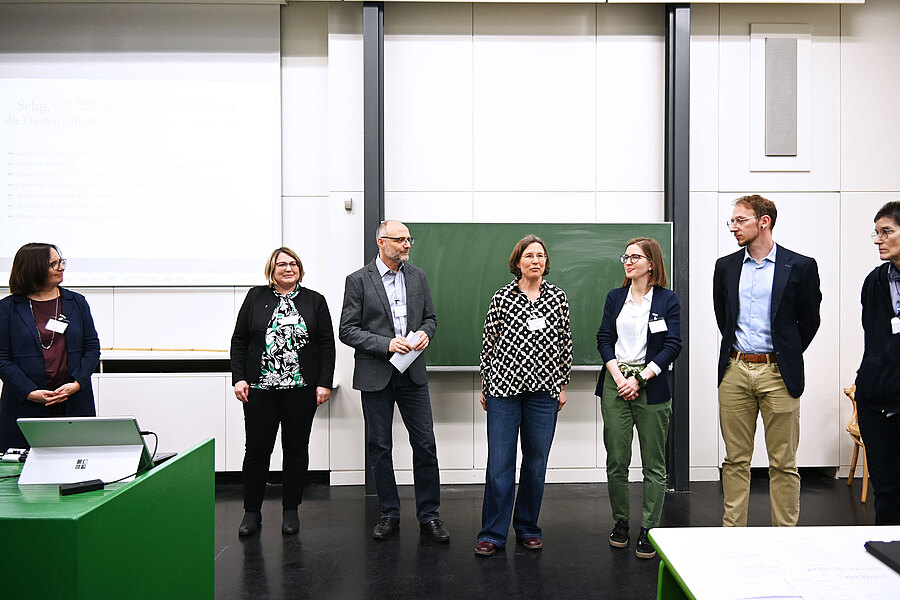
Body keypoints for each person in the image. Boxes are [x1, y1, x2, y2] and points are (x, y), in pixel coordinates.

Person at [713, 195, 821, 527]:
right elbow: (724, 317)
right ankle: (733, 533)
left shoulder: (801, 266)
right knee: (735, 461)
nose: (733, 227)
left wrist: (785, 354)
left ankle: (785, 536)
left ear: (764, 222)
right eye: (731, 221)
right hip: (735, 370)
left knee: (783, 462)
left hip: (779, 372)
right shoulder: (726, 266)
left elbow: (809, 320)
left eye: (740, 220)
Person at [338, 220, 449, 543]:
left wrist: (425, 334)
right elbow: (347, 330)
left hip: (412, 373)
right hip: (376, 374)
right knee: (380, 447)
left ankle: (429, 516)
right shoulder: (358, 280)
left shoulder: (418, 276)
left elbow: (431, 318)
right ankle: (389, 513)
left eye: (408, 239)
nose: (407, 245)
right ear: (381, 243)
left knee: (425, 444)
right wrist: (385, 344)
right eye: (400, 240)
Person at [474, 235, 572, 557]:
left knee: (535, 464)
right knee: (500, 464)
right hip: (504, 391)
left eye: (540, 256)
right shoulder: (501, 298)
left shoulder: (557, 299)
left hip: (544, 394)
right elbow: (488, 345)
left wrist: (561, 384)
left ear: (546, 262)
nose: (535, 261)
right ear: (518, 262)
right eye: (529, 255)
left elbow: (565, 345)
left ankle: (528, 528)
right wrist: (487, 386)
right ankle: (492, 533)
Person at [230, 246, 335, 536]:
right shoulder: (255, 297)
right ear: (271, 271)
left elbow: (326, 344)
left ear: (300, 269)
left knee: (296, 450)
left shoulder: (315, 301)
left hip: (301, 389)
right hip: (259, 389)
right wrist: (238, 378)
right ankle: (252, 512)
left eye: (293, 264)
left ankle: (291, 510)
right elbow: (239, 340)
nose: (288, 269)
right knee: (257, 451)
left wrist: (324, 382)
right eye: (281, 265)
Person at [596, 237, 681, 559]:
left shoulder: (667, 300)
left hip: (651, 385)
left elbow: (673, 344)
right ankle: (621, 522)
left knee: (654, 463)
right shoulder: (616, 297)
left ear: (651, 263)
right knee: (617, 460)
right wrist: (620, 377)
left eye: (635, 257)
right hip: (616, 385)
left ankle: (649, 527)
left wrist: (640, 378)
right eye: (626, 257)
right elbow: (604, 337)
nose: (628, 262)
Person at [0, 243, 101, 452]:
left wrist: (77, 383)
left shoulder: (76, 302)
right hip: (25, 403)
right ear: (33, 268)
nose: (61, 267)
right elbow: (2, 358)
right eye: (53, 264)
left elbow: (92, 347)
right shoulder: (8, 308)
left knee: (76, 463)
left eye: (61, 262)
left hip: (73, 400)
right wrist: (29, 391)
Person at [855, 201, 900, 525]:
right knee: (884, 489)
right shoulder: (875, 281)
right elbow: (872, 336)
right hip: (875, 401)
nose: (878, 239)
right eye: (877, 232)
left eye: (887, 231)